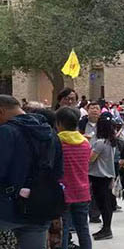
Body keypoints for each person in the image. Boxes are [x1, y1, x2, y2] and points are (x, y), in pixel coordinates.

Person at [0, 95, 63, 249]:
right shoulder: (51, 134)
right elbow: (58, 171)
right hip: (41, 205)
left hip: (7, 208)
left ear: (1, 111)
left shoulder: (6, 132)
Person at [55, 106, 92, 249]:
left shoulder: (57, 143)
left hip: (63, 192)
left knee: (63, 230)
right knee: (83, 229)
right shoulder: (85, 143)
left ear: (59, 124)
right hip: (83, 191)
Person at [88, 115, 118, 240]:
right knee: (105, 203)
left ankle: (106, 229)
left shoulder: (100, 143)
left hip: (99, 176)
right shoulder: (111, 142)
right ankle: (106, 228)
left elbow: (90, 159)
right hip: (107, 175)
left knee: (103, 203)